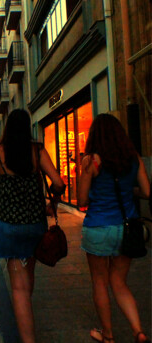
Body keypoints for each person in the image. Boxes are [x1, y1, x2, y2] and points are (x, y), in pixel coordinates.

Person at [0, 109, 65, 343]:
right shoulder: (37, 150)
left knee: (19, 289)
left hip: (10, 227)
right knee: (28, 276)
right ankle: (26, 316)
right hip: (35, 226)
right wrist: (52, 203)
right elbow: (59, 183)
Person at [78, 114, 150, 343]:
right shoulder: (133, 159)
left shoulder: (91, 161)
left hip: (98, 227)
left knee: (99, 282)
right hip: (126, 228)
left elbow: (81, 200)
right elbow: (147, 193)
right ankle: (138, 331)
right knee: (119, 282)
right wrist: (129, 192)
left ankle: (108, 336)